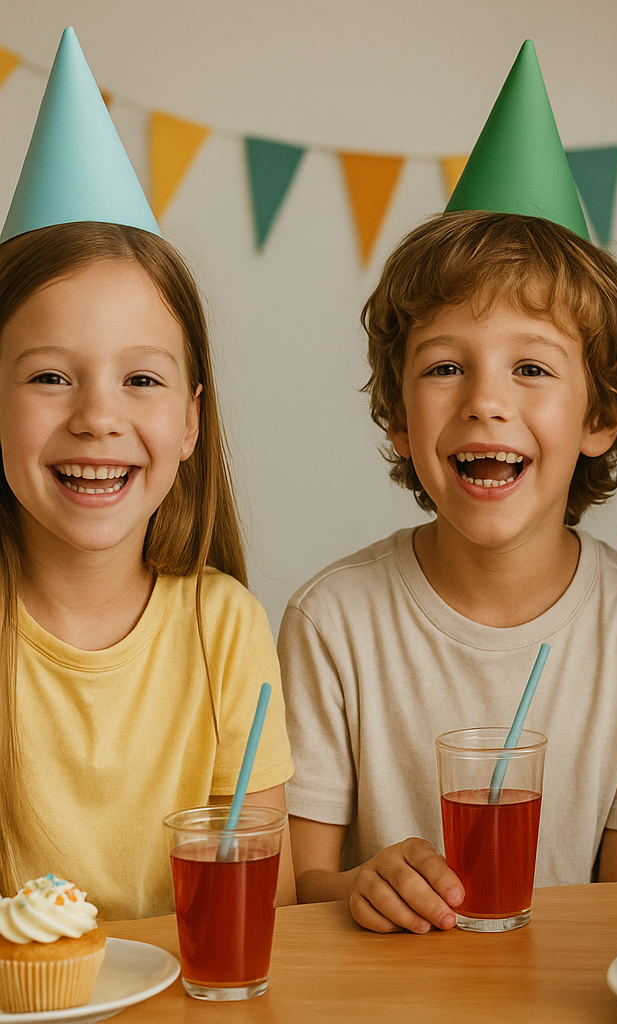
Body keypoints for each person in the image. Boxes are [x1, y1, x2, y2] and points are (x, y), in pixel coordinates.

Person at [281, 44, 617, 934]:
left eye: (530, 367)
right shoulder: (332, 623)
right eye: (445, 367)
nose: (485, 401)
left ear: (601, 417)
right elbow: (300, 889)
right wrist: (360, 885)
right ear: (399, 419)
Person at [0, 29, 291, 920]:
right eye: (51, 376)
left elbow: (255, 910)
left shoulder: (227, 632)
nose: (97, 416)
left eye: (140, 380)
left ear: (192, 419)